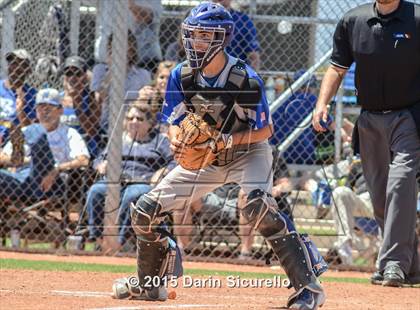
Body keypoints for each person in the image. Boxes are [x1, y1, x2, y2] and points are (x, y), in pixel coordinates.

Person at [111, 3, 326, 308]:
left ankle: (308, 288)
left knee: (257, 207)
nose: (194, 42)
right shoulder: (180, 74)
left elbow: (265, 131)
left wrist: (226, 140)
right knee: (145, 210)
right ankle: (150, 285)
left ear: (221, 38)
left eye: (203, 35)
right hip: (206, 157)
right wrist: (178, 143)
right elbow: (173, 120)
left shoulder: (244, 79)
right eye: (192, 34)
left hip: (248, 151)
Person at [313, 0, 420, 287]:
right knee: (381, 197)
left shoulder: (417, 17)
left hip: (408, 116)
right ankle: (412, 265)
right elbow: (337, 68)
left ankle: (394, 263)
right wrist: (322, 104)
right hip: (369, 119)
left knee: (401, 183)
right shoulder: (353, 20)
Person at [86, 104, 174, 248]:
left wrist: (162, 171)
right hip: (117, 180)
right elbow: (98, 159)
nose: (134, 121)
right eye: (130, 118)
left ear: (149, 123)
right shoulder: (118, 140)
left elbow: (175, 162)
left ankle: (118, 242)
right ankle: (97, 239)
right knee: (95, 191)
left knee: (131, 196)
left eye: (139, 119)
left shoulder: (160, 140)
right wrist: (102, 164)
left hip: (143, 182)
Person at [0, 88, 90, 202]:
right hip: (22, 180)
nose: (44, 111)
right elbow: (2, 157)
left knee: (37, 135)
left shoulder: (70, 133)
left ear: (60, 110)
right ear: (36, 111)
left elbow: (83, 160)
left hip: (51, 180)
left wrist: (57, 169)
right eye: (41, 107)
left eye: (49, 108)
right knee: (32, 132)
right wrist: (27, 161)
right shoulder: (24, 130)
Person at [92, 30, 152, 135]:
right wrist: (112, 70)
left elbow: (147, 103)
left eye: (123, 47)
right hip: (105, 125)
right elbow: (97, 99)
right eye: (114, 47)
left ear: (132, 51)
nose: (119, 51)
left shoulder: (143, 75)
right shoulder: (100, 70)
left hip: (133, 125)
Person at [270, 70, 320, 165]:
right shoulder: (311, 99)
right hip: (306, 155)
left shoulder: (280, 101)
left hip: (280, 155)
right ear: (310, 87)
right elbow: (331, 125)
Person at [61, 55, 101, 157]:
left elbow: (92, 131)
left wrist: (77, 102)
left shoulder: (92, 99)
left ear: (84, 76)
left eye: (77, 73)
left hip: (85, 151)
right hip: (62, 150)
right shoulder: (58, 99)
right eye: (68, 73)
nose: (72, 77)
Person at [0, 49, 37, 145]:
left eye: (20, 64)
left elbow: (31, 131)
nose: (15, 67)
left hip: (16, 144)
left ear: (28, 70)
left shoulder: (32, 95)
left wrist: (21, 109)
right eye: (12, 63)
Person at [211, 0, 261, 70]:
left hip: (235, 71)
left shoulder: (243, 20)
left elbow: (253, 56)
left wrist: (251, 78)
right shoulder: (201, 18)